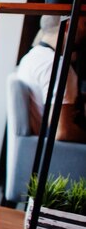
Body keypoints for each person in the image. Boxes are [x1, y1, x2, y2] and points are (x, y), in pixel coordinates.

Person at [17, 14, 86, 143]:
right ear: (67, 26)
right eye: (85, 24)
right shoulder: (56, 66)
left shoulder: (31, 57)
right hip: (58, 153)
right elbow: (63, 132)